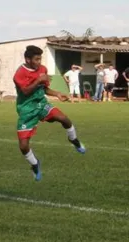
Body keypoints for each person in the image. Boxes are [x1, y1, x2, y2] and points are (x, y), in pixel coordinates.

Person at [13, 45, 86, 181]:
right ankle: (35, 164)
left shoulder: (42, 69)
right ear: (27, 59)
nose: (39, 62)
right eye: (36, 59)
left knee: (64, 119)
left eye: (40, 59)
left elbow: (44, 89)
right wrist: (38, 80)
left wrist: (57, 93)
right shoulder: (20, 73)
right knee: (23, 146)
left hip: (42, 104)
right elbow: (26, 91)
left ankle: (73, 139)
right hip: (27, 110)